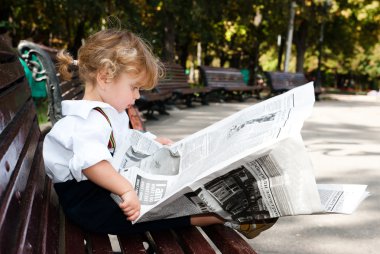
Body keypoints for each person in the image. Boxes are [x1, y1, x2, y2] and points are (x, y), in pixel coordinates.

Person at [43, 28, 276, 238]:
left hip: (98, 191)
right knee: (148, 215)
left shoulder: (107, 112)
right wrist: (125, 189)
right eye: (134, 87)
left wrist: (153, 141)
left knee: (167, 195)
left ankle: (226, 214)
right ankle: (228, 216)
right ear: (104, 77)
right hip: (88, 205)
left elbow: (124, 141)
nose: (136, 96)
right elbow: (93, 164)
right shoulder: (86, 121)